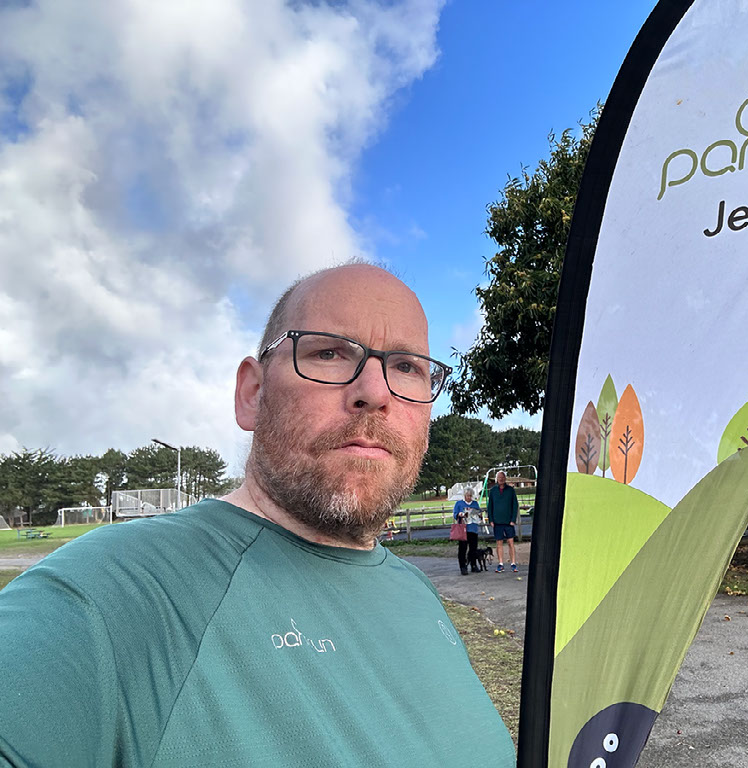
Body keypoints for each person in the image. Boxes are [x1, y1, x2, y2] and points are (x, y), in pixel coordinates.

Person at [0, 265, 516, 768]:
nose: (376, 393)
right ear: (253, 393)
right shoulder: (110, 594)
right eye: (329, 353)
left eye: (406, 366)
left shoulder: (416, 588)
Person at [486, 470, 519, 573]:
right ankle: (500, 564)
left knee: (510, 542)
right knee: (499, 543)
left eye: (503, 477)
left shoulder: (510, 490)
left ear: (505, 478)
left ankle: (513, 563)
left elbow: (515, 505)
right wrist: (491, 519)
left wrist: (513, 519)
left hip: (508, 521)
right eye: (499, 477)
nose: (501, 479)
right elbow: (490, 506)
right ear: (497, 479)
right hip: (497, 521)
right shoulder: (493, 491)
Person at [453, 487, 482, 574]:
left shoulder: (475, 503)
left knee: (473, 548)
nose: (469, 497)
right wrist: (459, 514)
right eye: (467, 496)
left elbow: (479, 513)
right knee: (463, 549)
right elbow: (455, 515)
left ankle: (473, 565)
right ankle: (463, 566)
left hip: (473, 528)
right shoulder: (459, 503)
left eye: (470, 496)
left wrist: (479, 515)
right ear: (464, 496)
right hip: (463, 529)